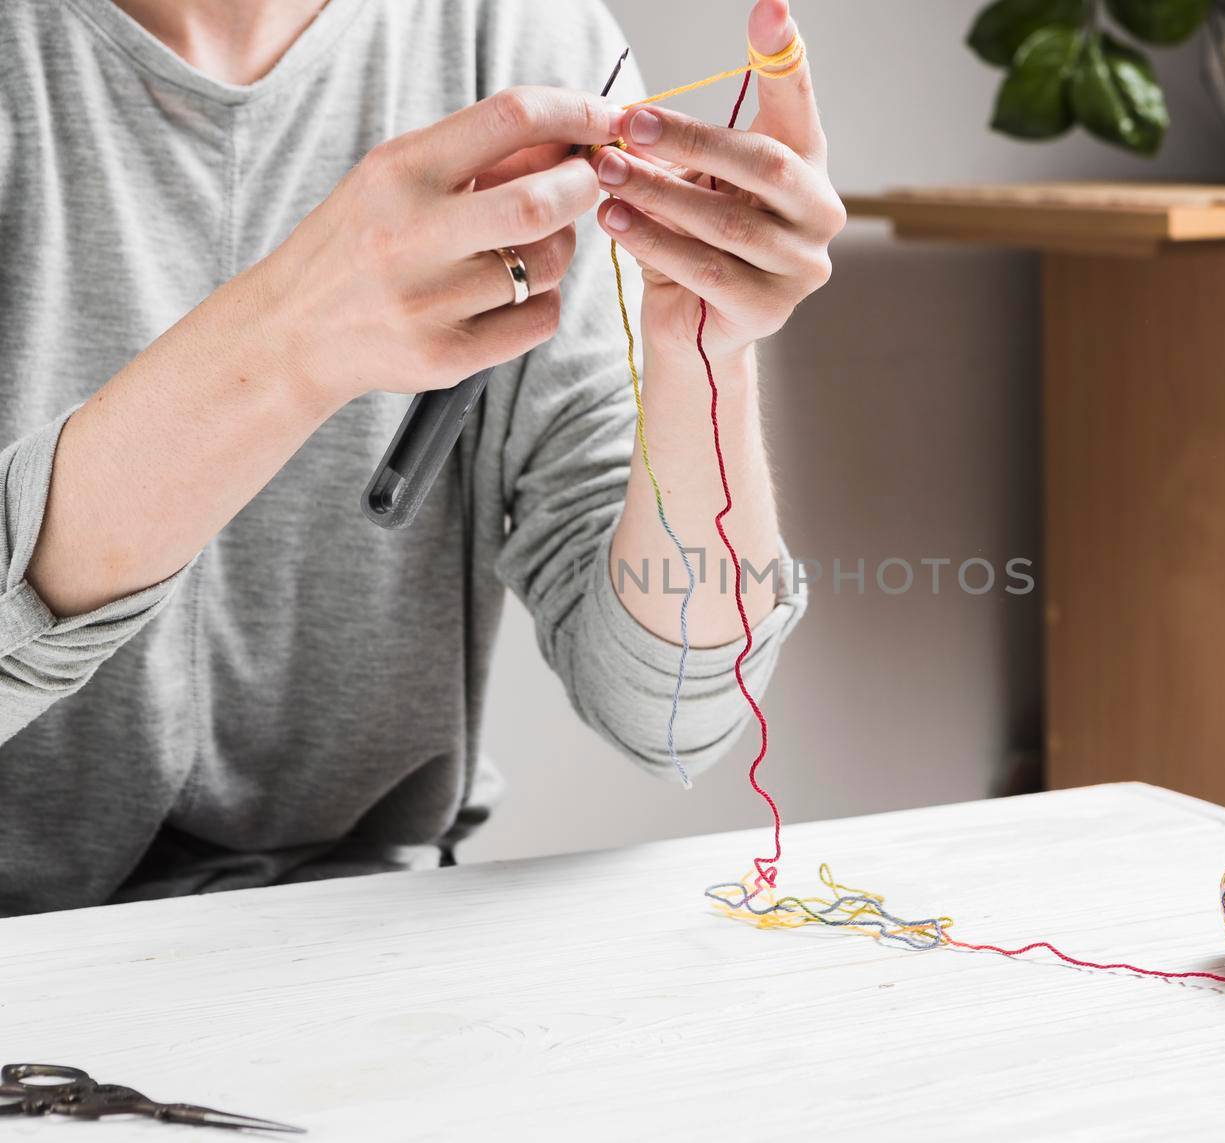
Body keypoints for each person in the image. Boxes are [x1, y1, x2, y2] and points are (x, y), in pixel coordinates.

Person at [0, 0, 844, 915]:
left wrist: (702, 357)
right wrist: (292, 342)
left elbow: (674, 714)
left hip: (361, 934)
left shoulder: (521, 36)